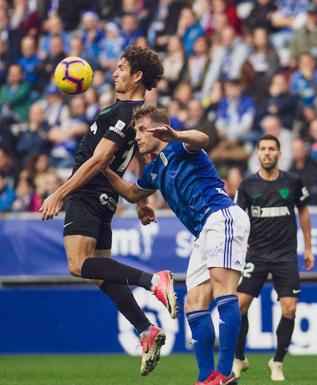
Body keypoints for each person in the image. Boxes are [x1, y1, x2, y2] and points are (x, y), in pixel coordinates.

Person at [39, 46, 173, 376]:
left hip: (87, 193)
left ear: (137, 76)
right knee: (99, 270)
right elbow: (142, 154)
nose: (115, 73)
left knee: (77, 264)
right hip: (106, 198)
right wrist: (142, 201)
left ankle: (153, 280)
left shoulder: (127, 114)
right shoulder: (132, 113)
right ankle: (146, 330)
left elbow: (99, 160)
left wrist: (59, 192)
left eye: (122, 68)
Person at [102, 106, 250, 385]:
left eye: (141, 130)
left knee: (223, 289)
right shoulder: (155, 169)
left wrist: (176, 134)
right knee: (194, 303)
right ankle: (206, 377)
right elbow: (133, 193)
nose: (138, 137)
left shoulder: (182, 147)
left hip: (221, 216)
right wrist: (105, 169)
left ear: (159, 128)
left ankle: (226, 372)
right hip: (203, 232)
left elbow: (202, 139)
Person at [232, 134, 314, 381]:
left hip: (285, 256)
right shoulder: (247, 185)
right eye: (263, 149)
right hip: (256, 254)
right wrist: (239, 244)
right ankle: (239, 358)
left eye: (272, 149)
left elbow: (304, 213)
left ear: (280, 154)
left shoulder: (293, 182)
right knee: (238, 307)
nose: (267, 153)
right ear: (257, 153)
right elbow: (237, 217)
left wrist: (308, 248)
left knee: (289, 309)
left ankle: (277, 362)